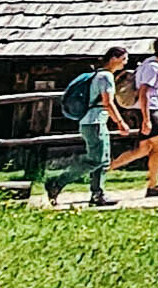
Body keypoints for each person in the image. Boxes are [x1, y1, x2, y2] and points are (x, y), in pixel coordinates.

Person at [47, 47, 129, 208]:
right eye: (123, 59)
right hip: (95, 122)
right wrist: (120, 122)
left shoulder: (98, 75)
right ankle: (57, 182)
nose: (125, 63)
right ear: (113, 58)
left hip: (93, 122)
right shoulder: (106, 76)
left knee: (103, 160)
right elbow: (108, 102)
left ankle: (98, 194)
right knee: (96, 160)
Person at [115, 36, 158, 199]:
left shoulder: (149, 63)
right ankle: (153, 185)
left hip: (147, 109)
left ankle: (104, 169)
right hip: (149, 110)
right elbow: (144, 92)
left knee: (143, 149)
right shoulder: (153, 67)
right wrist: (147, 119)